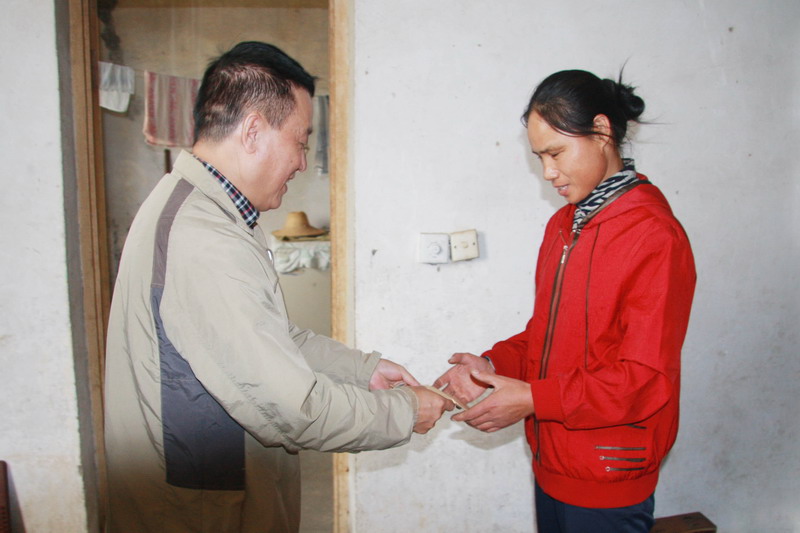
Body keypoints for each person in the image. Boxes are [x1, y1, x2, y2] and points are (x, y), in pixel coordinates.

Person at [104, 41, 453, 533]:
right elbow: (291, 405)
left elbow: (268, 339)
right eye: (301, 141)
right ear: (252, 131)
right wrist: (405, 411)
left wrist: (362, 372)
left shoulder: (210, 213)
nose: (303, 161)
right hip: (200, 510)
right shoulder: (203, 238)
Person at [435, 69, 696, 533]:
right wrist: (490, 366)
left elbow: (644, 379)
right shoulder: (564, 226)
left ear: (602, 132)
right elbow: (549, 336)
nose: (548, 172)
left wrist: (532, 398)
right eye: (539, 157)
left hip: (608, 474)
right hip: (552, 463)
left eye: (556, 153)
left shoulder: (654, 235)